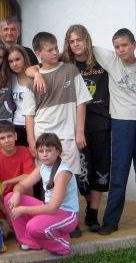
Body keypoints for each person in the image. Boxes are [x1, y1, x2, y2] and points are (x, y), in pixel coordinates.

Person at [93, 28, 136, 238]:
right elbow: (84, 45)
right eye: (117, 46)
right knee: (119, 172)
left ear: (134, 44)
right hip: (121, 123)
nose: (121, 49)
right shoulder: (112, 61)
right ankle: (111, 221)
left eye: (125, 45)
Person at [62, 25, 110, 233]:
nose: (76, 44)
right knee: (82, 173)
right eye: (71, 41)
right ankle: (88, 204)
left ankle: (93, 213)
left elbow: (127, 59)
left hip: (101, 123)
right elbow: (39, 67)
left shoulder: (102, 59)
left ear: (86, 40)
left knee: (100, 169)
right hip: (75, 125)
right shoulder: (66, 64)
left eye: (79, 40)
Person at [23, 32, 91, 174]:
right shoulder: (31, 80)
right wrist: (31, 141)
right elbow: (29, 114)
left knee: (70, 179)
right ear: (38, 53)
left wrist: (79, 131)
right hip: (42, 137)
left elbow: (81, 102)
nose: (55, 52)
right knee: (47, 180)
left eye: (56, 48)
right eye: (50, 50)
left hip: (68, 137)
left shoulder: (71, 70)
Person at [5, 133, 79, 256]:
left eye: (48, 150)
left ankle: (62, 244)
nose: (44, 154)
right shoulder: (42, 167)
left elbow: (53, 208)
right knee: (10, 198)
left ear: (58, 151)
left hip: (67, 215)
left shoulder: (63, 173)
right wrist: (17, 193)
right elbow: (21, 185)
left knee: (33, 226)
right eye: (41, 151)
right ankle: (30, 241)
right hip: (50, 209)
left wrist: (23, 209)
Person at [0, 120, 35, 197]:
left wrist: (7, 182)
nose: (7, 141)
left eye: (9, 136)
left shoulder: (24, 151)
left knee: (28, 184)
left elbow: (30, 175)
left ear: (15, 136)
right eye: (2, 138)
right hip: (3, 196)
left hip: (21, 193)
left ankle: (30, 204)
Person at [7, 45, 32, 147]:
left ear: (24, 58)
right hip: (17, 125)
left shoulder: (35, 76)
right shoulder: (11, 79)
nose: (14, 64)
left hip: (35, 125)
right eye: (10, 61)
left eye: (17, 59)